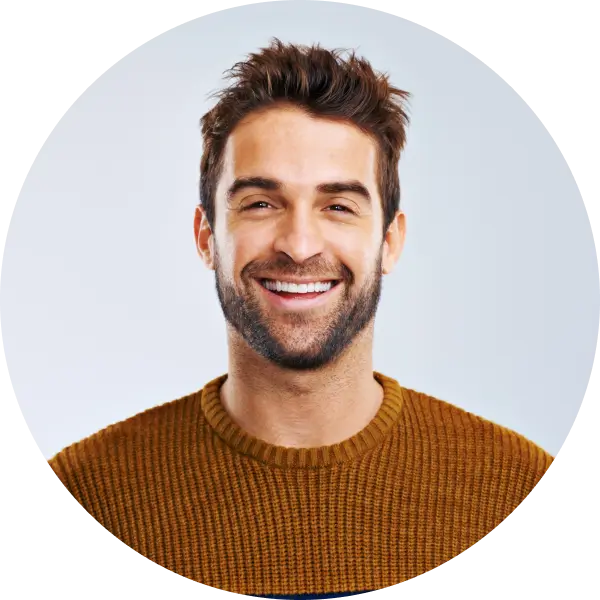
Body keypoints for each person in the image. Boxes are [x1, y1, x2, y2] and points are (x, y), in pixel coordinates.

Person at [48, 38, 554, 597]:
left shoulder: (517, 487)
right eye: (261, 203)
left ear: (389, 242)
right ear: (206, 237)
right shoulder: (85, 492)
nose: (299, 244)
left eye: (338, 206)